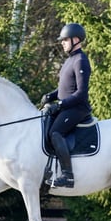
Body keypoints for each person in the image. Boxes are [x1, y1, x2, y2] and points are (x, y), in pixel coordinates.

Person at [41, 23, 92, 188]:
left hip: (77, 108)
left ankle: (68, 175)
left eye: (65, 40)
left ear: (75, 40)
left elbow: (80, 93)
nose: (62, 43)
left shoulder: (81, 60)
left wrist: (61, 104)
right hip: (67, 106)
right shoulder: (69, 60)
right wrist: (52, 95)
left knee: (56, 132)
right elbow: (65, 87)